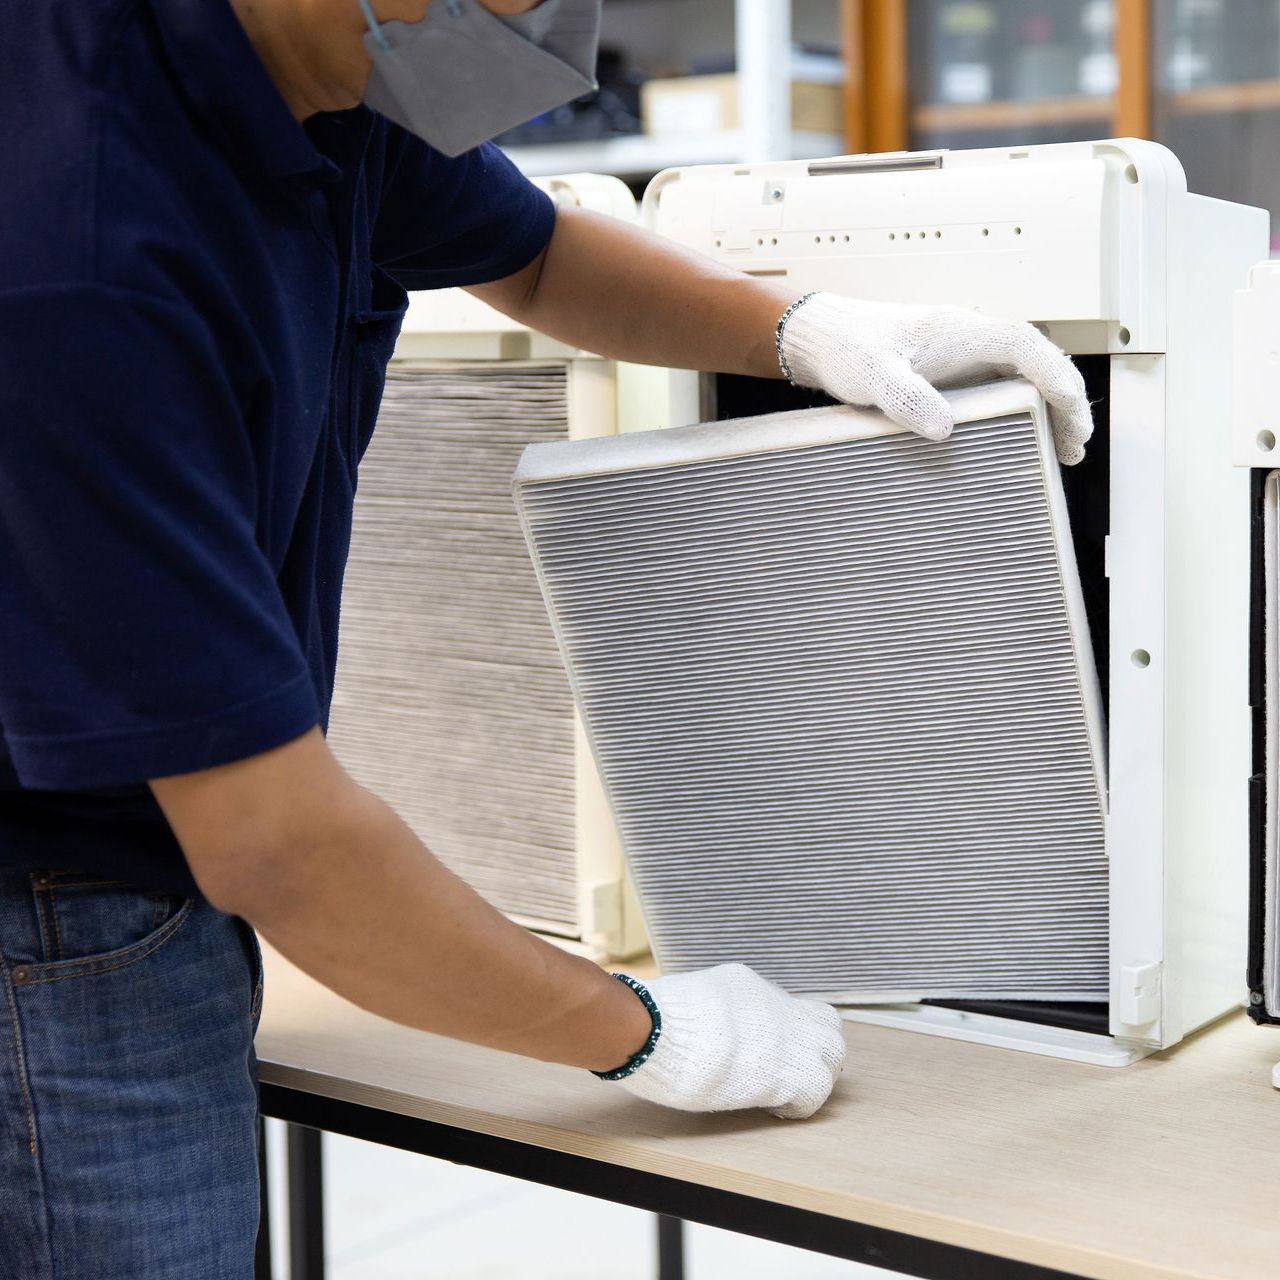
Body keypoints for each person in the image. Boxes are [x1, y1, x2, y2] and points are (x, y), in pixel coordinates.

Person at [0, 1, 1093, 1275]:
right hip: (58, 924)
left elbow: (536, 257)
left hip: (163, 861)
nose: (558, 21)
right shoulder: (77, 248)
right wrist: (635, 1028)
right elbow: (277, 843)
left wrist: (797, 328)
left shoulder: (315, 77)